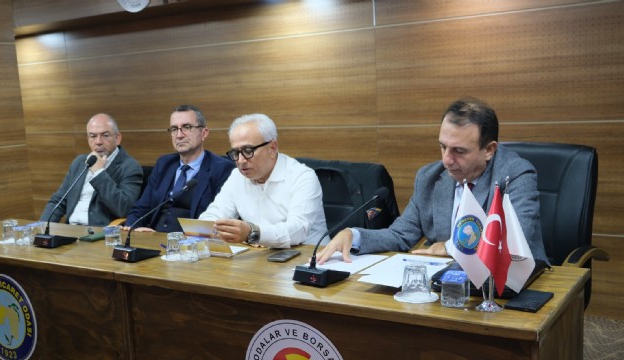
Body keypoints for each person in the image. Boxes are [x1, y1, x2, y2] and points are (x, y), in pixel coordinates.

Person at [317, 97, 547, 264]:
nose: (446, 160)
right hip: (449, 284)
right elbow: (401, 234)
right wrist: (354, 235)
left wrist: (449, 248)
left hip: (512, 282)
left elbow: (514, 239)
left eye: (459, 151)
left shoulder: (515, 174)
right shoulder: (430, 177)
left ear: (489, 150)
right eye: (443, 147)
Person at [199, 113, 328, 248]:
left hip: (309, 254)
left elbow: (298, 231)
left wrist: (252, 233)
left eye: (248, 150)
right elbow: (213, 215)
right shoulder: (237, 176)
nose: (241, 161)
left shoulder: (302, 176)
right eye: (236, 153)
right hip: (262, 256)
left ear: (272, 148)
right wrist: (222, 229)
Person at [124, 105, 236, 232]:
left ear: (204, 133)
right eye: (174, 129)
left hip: (193, 240)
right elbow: (140, 208)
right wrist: (132, 229)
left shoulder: (222, 169)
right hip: (153, 236)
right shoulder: (164, 164)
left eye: (186, 127)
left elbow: (219, 221)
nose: (179, 135)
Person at [40, 113, 143, 226]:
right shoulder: (79, 162)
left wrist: (99, 173)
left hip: (100, 232)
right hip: (71, 229)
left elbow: (124, 208)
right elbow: (58, 200)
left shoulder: (130, 167)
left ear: (117, 138)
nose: (98, 141)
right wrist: (42, 227)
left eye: (105, 135)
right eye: (93, 136)